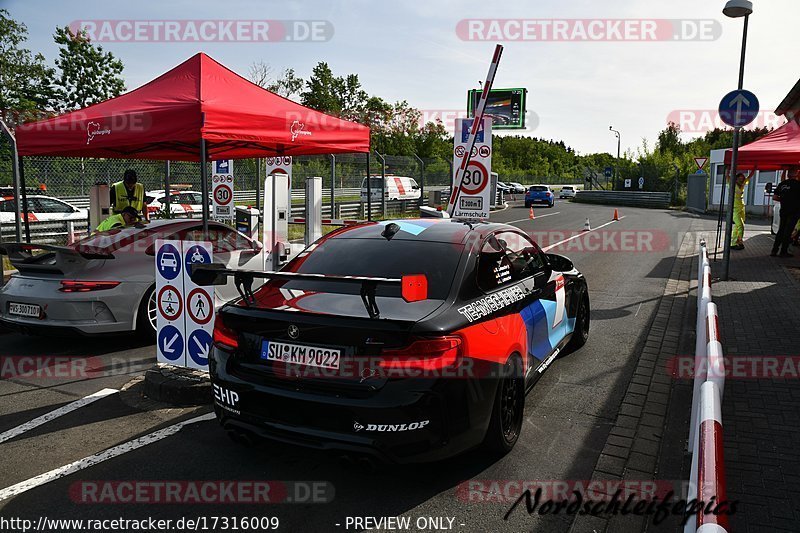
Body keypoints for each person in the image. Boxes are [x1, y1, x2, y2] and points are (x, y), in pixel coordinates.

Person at [771, 168, 800, 258]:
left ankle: (774, 251)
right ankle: (783, 252)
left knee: (781, 230)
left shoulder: (782, 184)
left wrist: (784, 200)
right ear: (796, 174)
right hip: (794, 211)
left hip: (784, 210)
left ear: (788, 175)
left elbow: (775, 197)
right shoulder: (798, 185)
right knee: (788, 231)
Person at [730, 171, 751, 250]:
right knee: (741, 226)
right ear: (736, 179)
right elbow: (727, 177)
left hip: (741, 207)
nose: (741, 180)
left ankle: (733, 243)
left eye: (742, 178)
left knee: (737, 226)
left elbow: (749, 177)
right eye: (740, 178)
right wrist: (729, 169)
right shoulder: (732, 185)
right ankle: (739, 242)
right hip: (735, 208)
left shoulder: (742, 185)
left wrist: (754, 168)